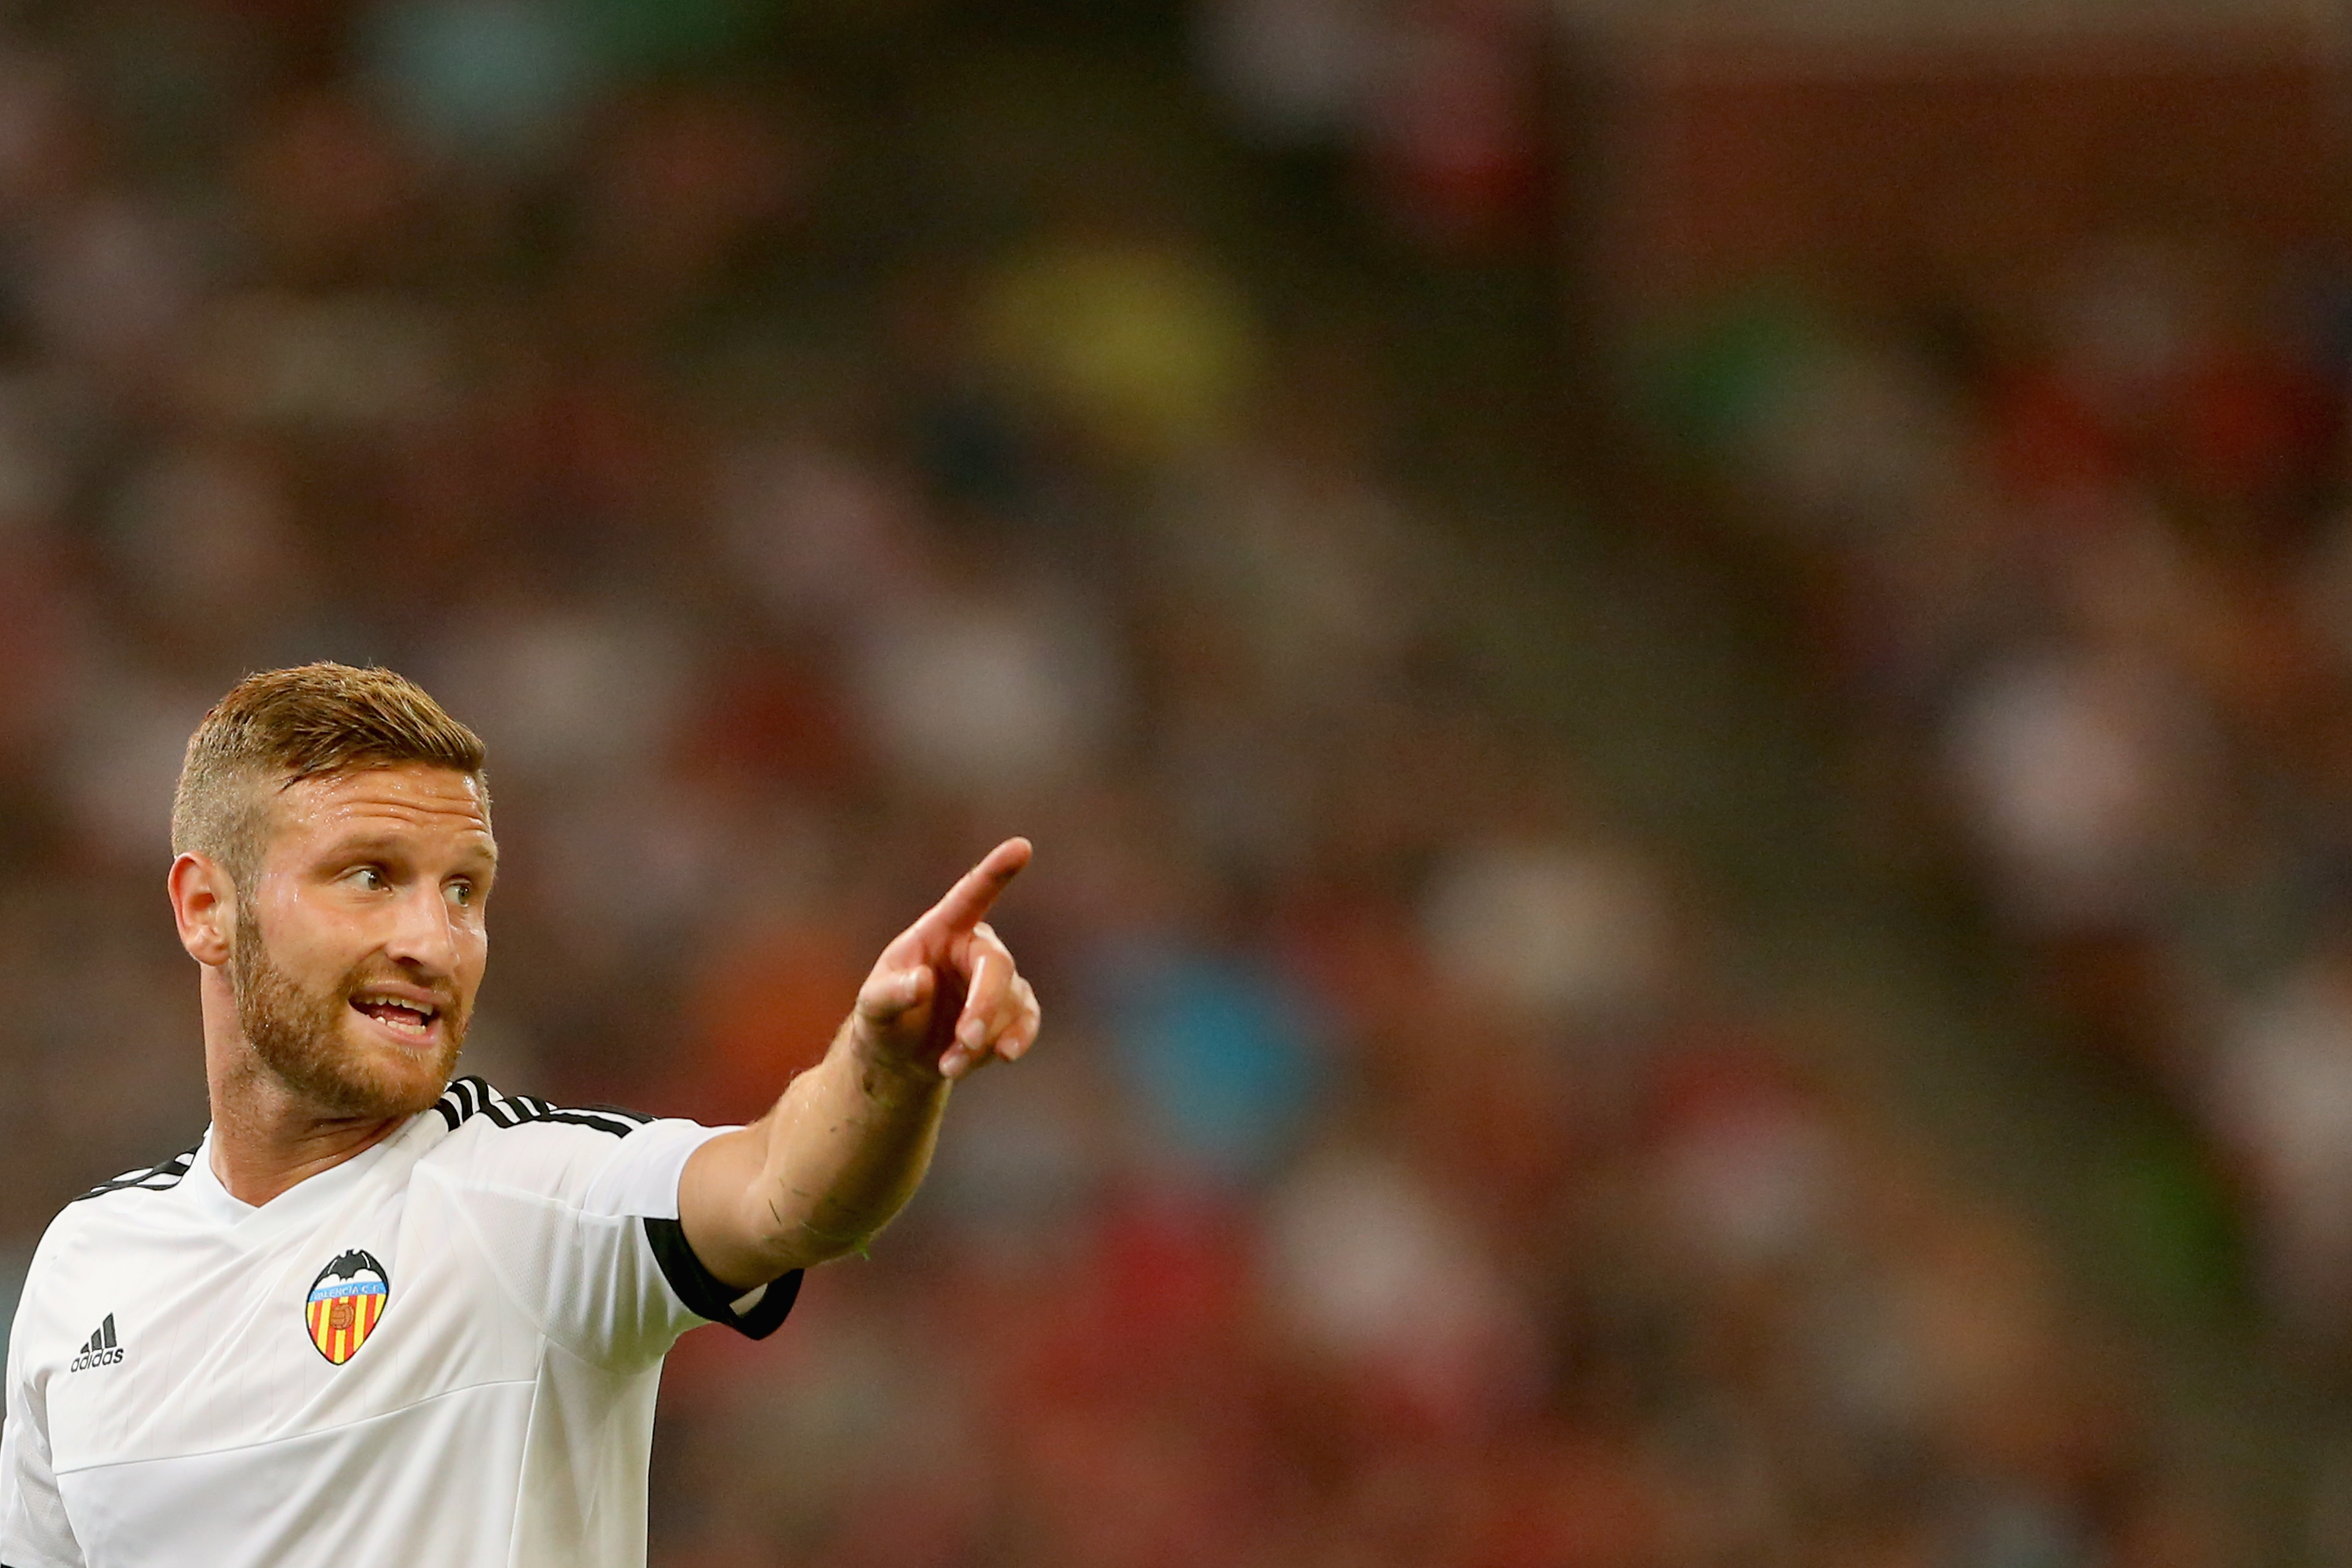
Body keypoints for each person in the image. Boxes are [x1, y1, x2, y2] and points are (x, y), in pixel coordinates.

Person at [0, 662, 1041, 1568]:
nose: (434, 941)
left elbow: (782, 1196)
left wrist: (887, 1064)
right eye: (371, 877)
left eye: (464, 891)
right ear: (206, 909)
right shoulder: (86, 1268)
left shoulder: (528, 1198)